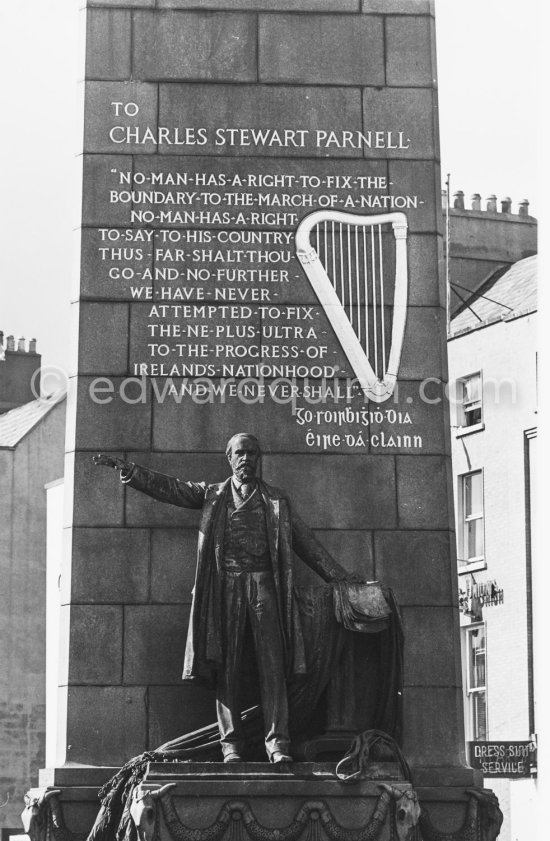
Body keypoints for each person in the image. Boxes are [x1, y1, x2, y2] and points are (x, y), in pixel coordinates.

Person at [93, 433, 350, 764]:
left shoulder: (276, 500)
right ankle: (231, 744)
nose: (247, 459)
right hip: (226, 589)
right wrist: (133, 473)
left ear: (260, 459)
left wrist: (339, 577)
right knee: (227, 665)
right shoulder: (213, 494)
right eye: (240, 453)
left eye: (253, 453)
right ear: (230, 459)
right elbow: (173, 488)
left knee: (272, 667)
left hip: (264, 589)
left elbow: (306, 543)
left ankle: (277, 743)